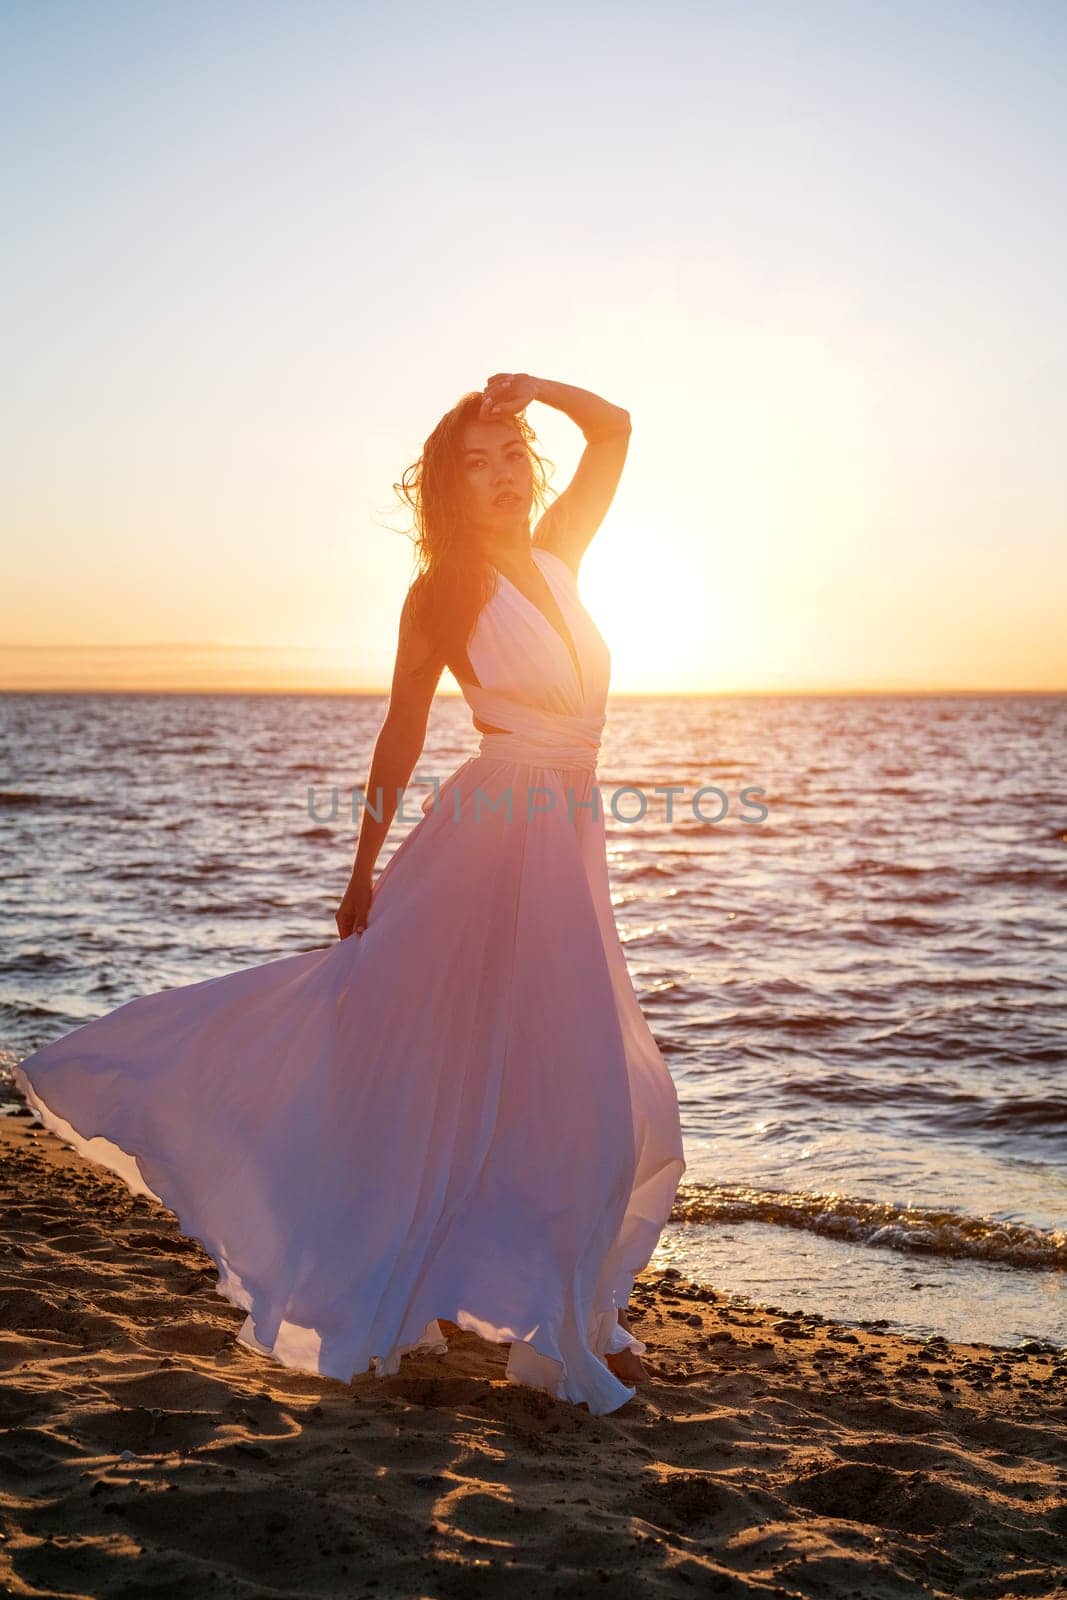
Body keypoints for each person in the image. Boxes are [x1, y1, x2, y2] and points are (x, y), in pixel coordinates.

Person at [14, 372, 686, 1416]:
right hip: (486, 839)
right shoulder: (443, 592)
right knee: (425, 1056)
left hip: (565, 838)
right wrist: (363, 865)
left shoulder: (562, 554)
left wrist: (532, 389)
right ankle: (520, 1311)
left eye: (510, 454)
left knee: (581, 1078)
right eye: (474, 464)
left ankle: (570, 1316)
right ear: (446, 490)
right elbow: (402, 732)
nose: (500, 475)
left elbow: (616, 428)